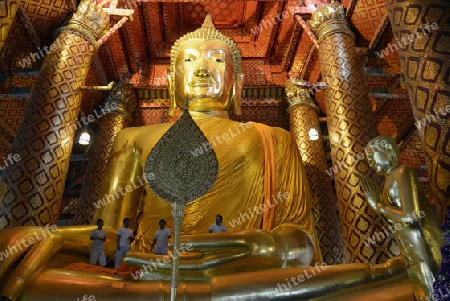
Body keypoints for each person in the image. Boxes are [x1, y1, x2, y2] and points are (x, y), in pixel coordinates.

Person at [360, 136, 443, 300]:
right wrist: (378, 206)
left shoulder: (403, 172)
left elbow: (411, 217)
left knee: (433, 292)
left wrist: (378, 205)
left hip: (423, 246)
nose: (370, 163)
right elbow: (394, 221)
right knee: (422, 294)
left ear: (387, 149)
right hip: (410, 251)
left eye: (371, 156)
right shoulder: (388, 182)